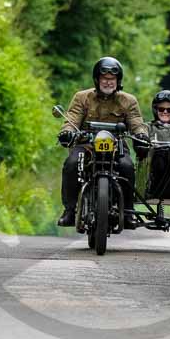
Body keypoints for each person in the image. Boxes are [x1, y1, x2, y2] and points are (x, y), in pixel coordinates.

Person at [57, 56, 149, 228]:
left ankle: (127, 212)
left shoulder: (128, 101)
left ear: (118, 80)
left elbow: (137, 122)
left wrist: (141, 135)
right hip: (86, 145)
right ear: (97, 80)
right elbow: (71, 120)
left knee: (127, 166)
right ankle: (69, 210)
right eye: (104, 79)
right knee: (71, 163)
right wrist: (66, 133)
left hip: (116, 146)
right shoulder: (82, 97)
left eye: (112, 79)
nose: (108, 82)